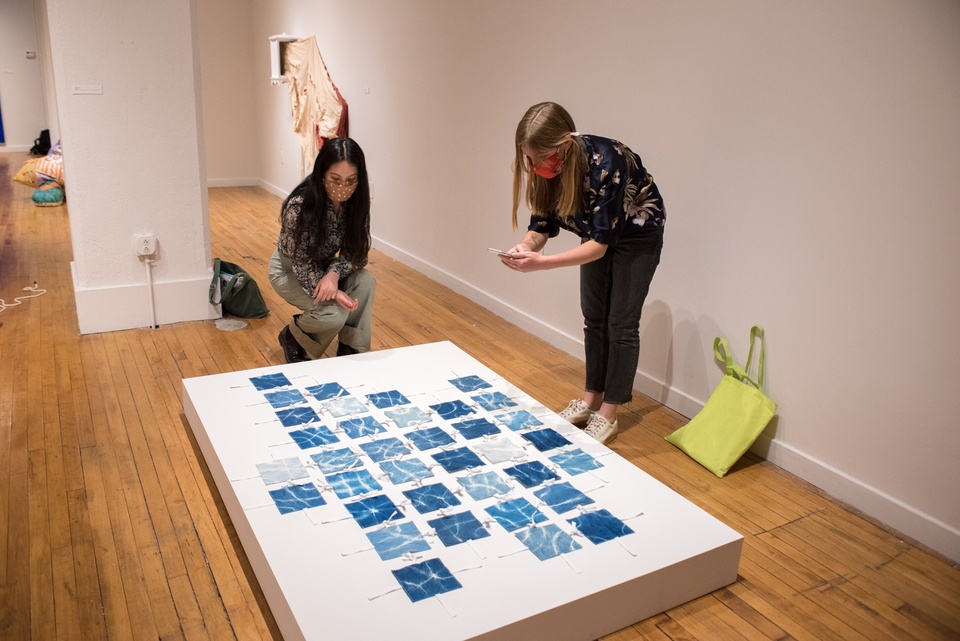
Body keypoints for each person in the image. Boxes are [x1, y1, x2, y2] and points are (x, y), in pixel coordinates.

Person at [501, 102, 665, 444]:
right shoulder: (544, 170)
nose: (533, 166)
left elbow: (601, 245)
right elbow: (542, 223)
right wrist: (527, 247)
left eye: (540, 157)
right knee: (593, 316)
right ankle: (591, 398)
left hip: (637, 236)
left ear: (564, 144)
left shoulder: (608, 161)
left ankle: (609, 412)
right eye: (528, 159)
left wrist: (543, 263)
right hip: (598, 236)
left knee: (621, 323)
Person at [268, 137, 375, 363]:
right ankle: (295, 337)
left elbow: (358, 251)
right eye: (335, 179)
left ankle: (351, 347)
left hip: (326, 266)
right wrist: (333, 291)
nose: (343, 188)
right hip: (290, 270)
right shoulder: (299, 206)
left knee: (365, 282)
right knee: (332, 313)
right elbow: (302, 263)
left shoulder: (358, 201)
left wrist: (333, 274)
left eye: (350, 181)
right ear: (322, 174)